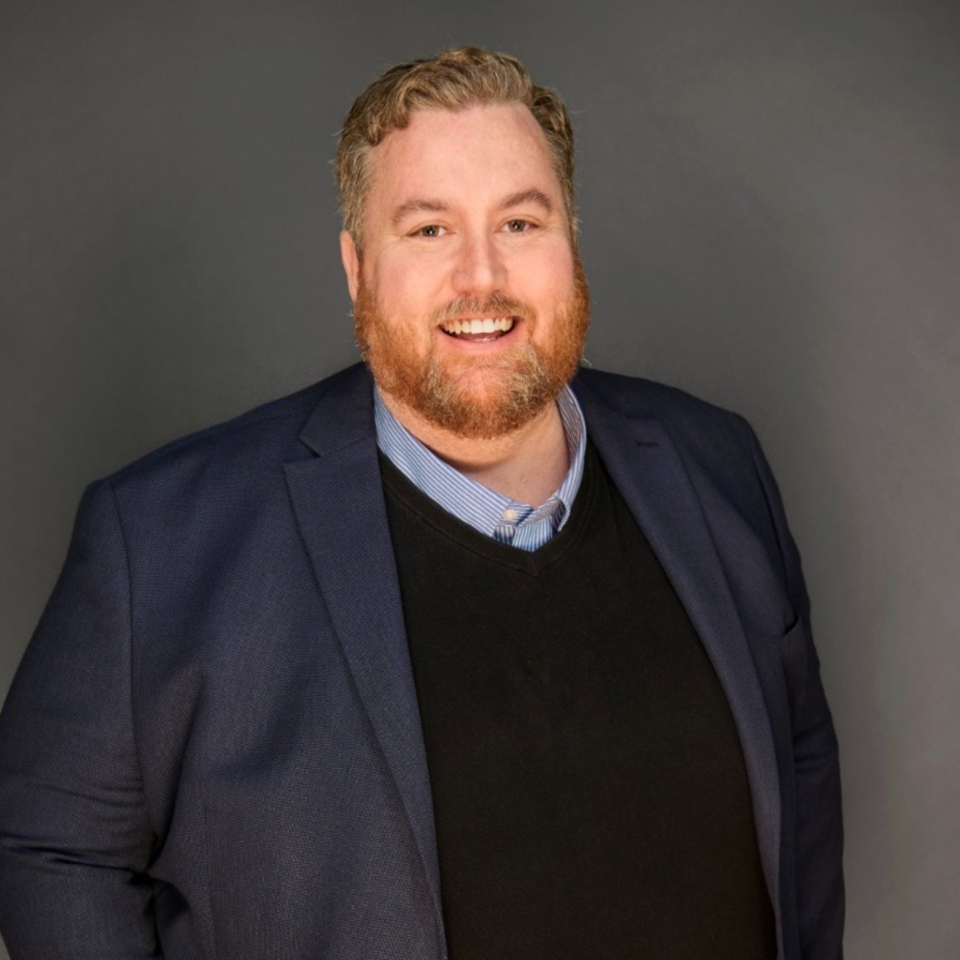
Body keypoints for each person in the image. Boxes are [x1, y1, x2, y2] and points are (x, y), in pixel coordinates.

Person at [0, 46, 843, 959]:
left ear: (571, 240)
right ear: (358, 269)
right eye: (428, 230)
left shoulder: (716, 465)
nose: (481, 278)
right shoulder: (160, 542)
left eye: (521, 223)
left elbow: (799, 777)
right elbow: (51, 846)